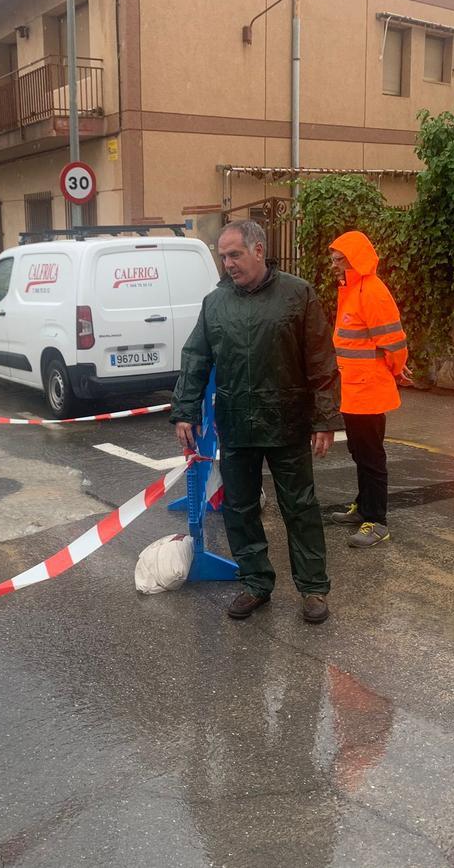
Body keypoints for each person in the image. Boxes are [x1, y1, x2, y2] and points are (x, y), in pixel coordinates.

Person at [172, 220, 341, 624]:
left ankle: (313, 588)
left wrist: (325, 419)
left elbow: (321, 360)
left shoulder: (297, 295)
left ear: (259, 250)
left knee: (299, 507)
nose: (228, 263)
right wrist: (185, 410)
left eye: (235, 254)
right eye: (223, 256)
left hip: (287, 422)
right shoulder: (215, 303)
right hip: (237, 424)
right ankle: (255, 582)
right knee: (240, 507)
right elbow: (196, 358)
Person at [326, 231, 408, 548]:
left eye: (339, 260)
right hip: (354, 391)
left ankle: (376, 521)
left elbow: (393, 342)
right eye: (333, 259)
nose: (334, 265)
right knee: (360, 453)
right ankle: (363, 508)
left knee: (371, 457)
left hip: (368, 392)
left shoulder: (371, 291)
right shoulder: (353, 290)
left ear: (355, 260)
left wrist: (397, 370)